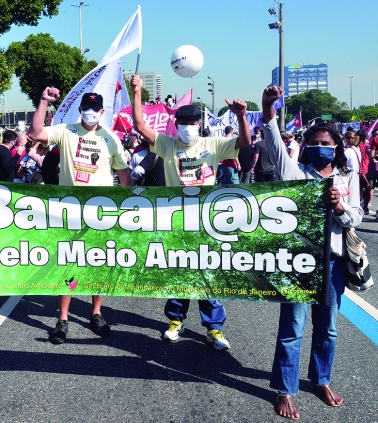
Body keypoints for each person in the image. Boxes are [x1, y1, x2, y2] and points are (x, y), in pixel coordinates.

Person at [261, 86, 361, 420]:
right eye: (314, 143)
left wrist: (341, 208)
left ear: (336, 148)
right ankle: (285, 390)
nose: (320, 148)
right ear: (306, 147)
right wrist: (267, 109)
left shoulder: (347, 176)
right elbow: (274, 147)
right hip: (298, 262)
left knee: (328, 327)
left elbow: (356, 216)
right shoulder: (296, 173)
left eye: (326, 143)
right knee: (293, 328)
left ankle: (321, 380)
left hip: (333, 264)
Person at [131, 73, 251, 350]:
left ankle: (214, 328)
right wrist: (136, 91)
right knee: (180, 273)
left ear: (200, 124)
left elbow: (243, 142)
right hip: (177, 221)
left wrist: (241, 116)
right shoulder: (167, 144)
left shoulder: (212, 145)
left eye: (192, 123)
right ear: (177, 125)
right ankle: (176, 321)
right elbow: (139, 124)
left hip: (207, 222)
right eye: (183, 123)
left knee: (208, 275)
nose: (188, 127)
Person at [28, 88, 133, 344]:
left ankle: (96, 313)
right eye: (86, 107)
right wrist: (43, 101)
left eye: (95, 109)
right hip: (71, 214)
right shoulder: (66, 131)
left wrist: (134, 201)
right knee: (69, 264)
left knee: (99, 264)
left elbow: (124, 175)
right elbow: (35, 133)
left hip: (101, 214)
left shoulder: (111, 139)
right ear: (80, 109)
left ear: (102, 112)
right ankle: (63, 318)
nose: (90, 112)